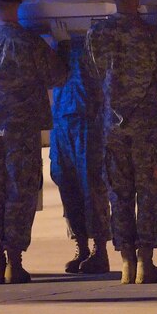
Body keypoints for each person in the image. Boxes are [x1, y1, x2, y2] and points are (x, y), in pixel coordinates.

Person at [84, 0, 157, 284]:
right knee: (148, 195)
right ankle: (145, 262)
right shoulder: (152, 35)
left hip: (114, 126)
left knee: (119, 193)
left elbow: (97, 70)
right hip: (148, 127)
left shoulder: (96, 33)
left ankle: (126, 264)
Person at [0, 0, 68, 284]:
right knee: (20, 196)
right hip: (20, 132)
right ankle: (15, 261)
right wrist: (60, 45)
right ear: (18, 6)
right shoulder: (30, 43)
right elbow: (58, 77)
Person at [49, 35, 111, 274]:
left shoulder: (95, 36)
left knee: (92, 185)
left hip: (89, 117)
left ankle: (99, 249)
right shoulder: (60, 40)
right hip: (63, 119)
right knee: (66, 183)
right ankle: (81, 246)